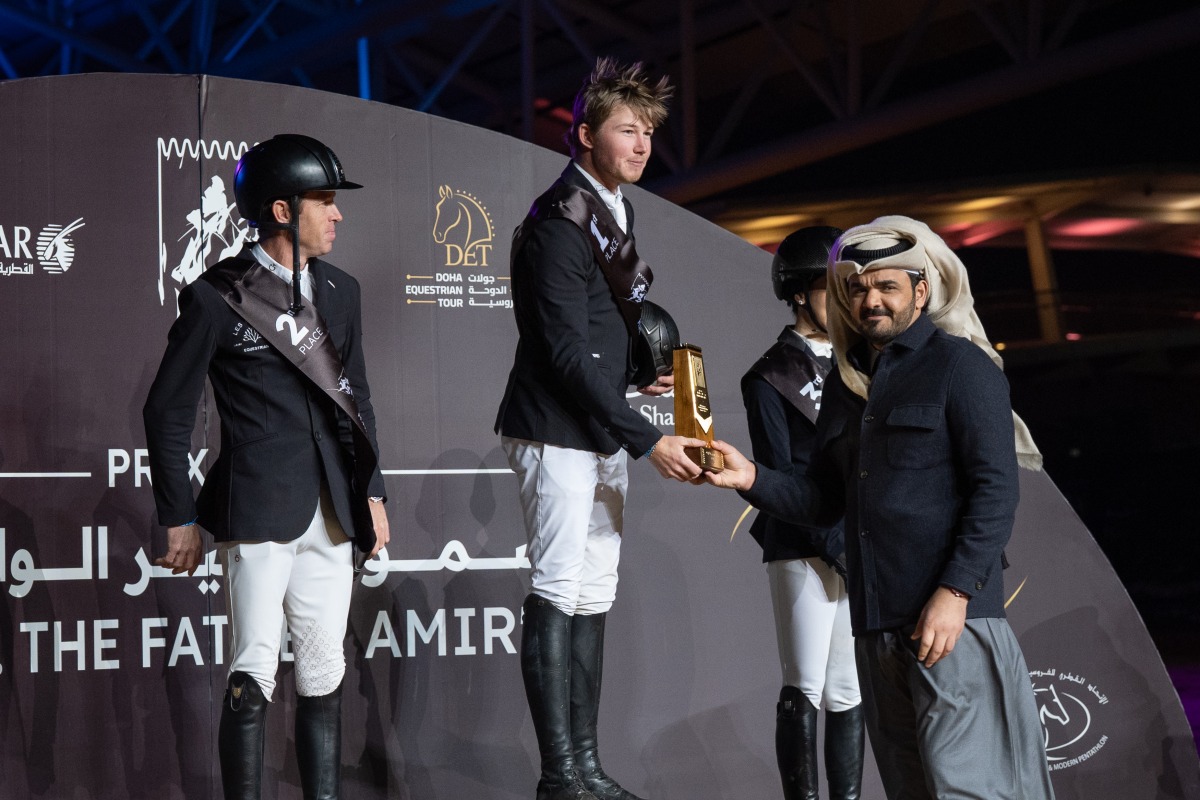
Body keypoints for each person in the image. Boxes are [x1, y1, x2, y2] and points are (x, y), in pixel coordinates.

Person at [704, 216, 1054, 800]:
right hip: (877, 628)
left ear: (921, 290)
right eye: (857, 288)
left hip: (951, 624)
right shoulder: (847, 383)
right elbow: (823, 499)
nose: (871, 300)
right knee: (910, 789)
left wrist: (956, 593)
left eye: (887, 286)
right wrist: (749, 477)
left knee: (970, 789)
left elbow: (996, 493)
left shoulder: (961, 367)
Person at [143, 133, 389, 800]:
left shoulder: (342, 291)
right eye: (326, 202)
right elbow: (165, 413)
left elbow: (356, 398)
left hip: (334, 513)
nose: (338, 216)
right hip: (257, 511)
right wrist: (178, 517)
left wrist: (372, 492)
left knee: (323, 674)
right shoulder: (217, 296)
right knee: (251, 678)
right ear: (282, 210)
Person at [495, 58, 706, 800]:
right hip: (554, 428)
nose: (643, 144)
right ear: (583, 134)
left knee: (593, 594)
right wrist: (649, 437)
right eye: (627, 129)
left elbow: (595, 335)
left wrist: (634, 378)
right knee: (557, 589)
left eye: (649, 132)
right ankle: (560, 774)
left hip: (597, 425)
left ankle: (586, 767)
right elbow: (557, 351)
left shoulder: (618, 210)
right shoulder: (559, 222)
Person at [742, 226, 862, 800]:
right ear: (796, 292)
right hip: (801, 544)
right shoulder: (768, 376)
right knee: (806, 685)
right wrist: (829, 534)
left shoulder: (861, 361)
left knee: (849, 689)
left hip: (856, 542)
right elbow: (777, 476)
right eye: (827, 288)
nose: (842, 300)